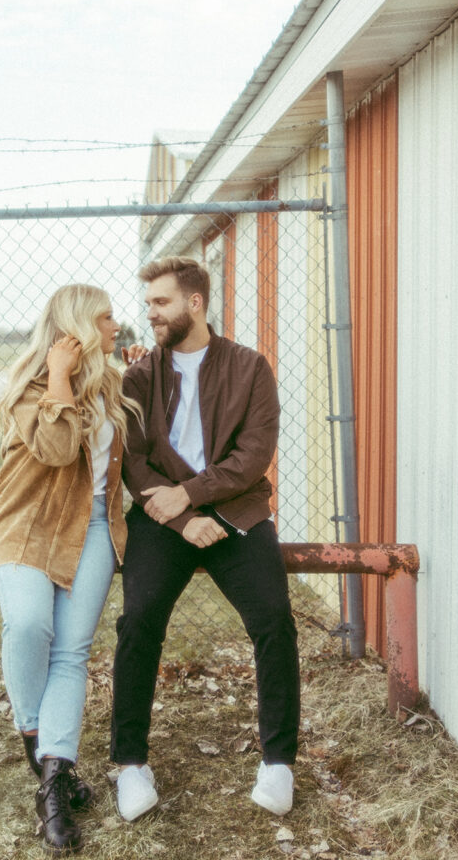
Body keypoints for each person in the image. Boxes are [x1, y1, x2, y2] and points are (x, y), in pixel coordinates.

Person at [111, 256, 300, 822]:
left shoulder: (248, 368)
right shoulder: (139, 376)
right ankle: (130, 763)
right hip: (164, 519)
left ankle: (278, 762)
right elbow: (134, 461)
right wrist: (178, 515)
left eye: (160, 303)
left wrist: (194, 496)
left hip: (235, 512)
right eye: (147, 304)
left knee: (273, 620)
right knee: (138, 620)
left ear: (195, 303)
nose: (150, 314)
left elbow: (253, 455)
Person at [0, 284, 143, 855]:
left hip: (96, 526)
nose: (116, 325)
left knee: (72, 650)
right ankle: (40, 744)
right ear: (76, 328)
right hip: (26, 526)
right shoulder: (31, 388)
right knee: (30, 626)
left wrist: (141, 376)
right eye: (105, 318)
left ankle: (52, 782)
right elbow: (54, 449)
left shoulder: (115, 387)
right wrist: (58, 377)